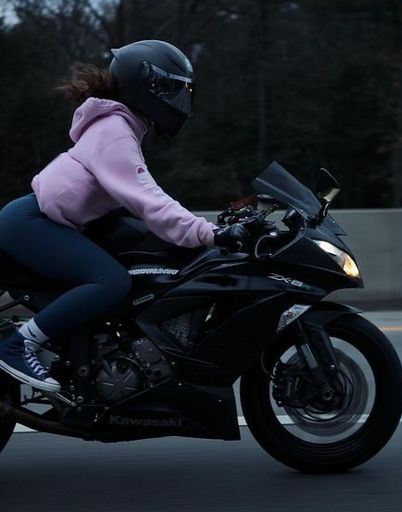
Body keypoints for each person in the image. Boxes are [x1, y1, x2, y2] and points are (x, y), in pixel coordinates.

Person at [0, 39, 247, 393]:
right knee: (111, 281)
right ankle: (19, 344)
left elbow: (138, 200)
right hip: (32, 224)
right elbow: (147, 199)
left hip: (45, 221)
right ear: (147, 87)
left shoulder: (122, 127)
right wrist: (208, 233)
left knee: (135, 245)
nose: (177, 101)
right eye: (171, 90)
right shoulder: (114, 132)